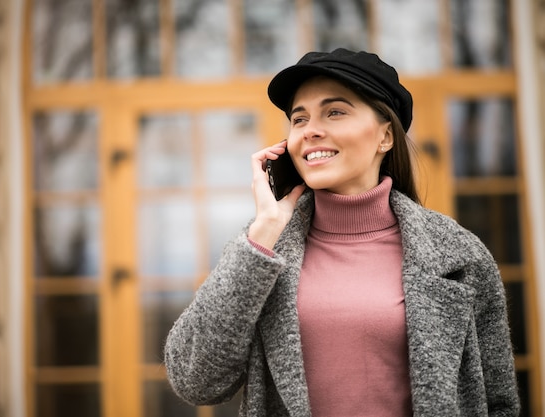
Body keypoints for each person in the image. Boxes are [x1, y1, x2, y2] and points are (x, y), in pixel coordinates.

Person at [164, 48, 520, 416]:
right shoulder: (262, 251)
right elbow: (195, 380)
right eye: (299, 119)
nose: (311, 130)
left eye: (335, 112)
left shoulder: (460, 256)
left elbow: (498, 403)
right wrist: (265, 230)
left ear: (385, 136)